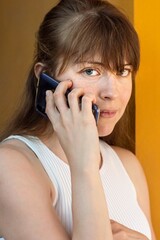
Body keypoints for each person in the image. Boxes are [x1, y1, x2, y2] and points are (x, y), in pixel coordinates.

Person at [0, 0, 156, 239]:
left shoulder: (127, 165)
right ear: (46, 77)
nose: (111, 92)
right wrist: (84, 163)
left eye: (123, 71)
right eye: (91, 71)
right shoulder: (10, 165)